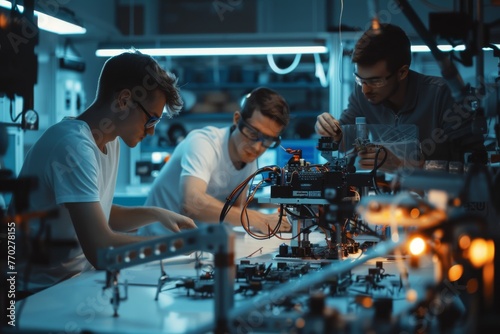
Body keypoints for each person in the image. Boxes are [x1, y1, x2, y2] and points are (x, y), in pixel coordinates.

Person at [13, 50, 197, 293]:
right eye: (151, 120)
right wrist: (172, 245)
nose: (151, 131)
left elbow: (98, 214)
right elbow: (101, 250)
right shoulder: (73, 145)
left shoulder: (111, 142)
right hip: (33, 292)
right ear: (123, 100)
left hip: (72, 282)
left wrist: (156, 213)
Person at [315, 23, 486, 172]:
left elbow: (475, 168)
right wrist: (332, 132)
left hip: (443, 203)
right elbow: (346, 138)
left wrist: (402, 166)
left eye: (376, 80)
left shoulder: (443, 96)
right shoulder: (362, 95)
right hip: (389, 201)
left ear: (402, 72)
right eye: (361, 79)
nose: (366, 90)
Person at [138, 87, 291, 236]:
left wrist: (265, 224)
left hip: (194, 245)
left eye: (268, 140)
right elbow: (190, 204)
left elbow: (236, 213)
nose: (257, 147)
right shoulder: (203, 142)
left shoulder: (248, 160)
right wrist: (255, 218)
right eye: (252, 133)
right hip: (156, 243)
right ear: (237, 120)